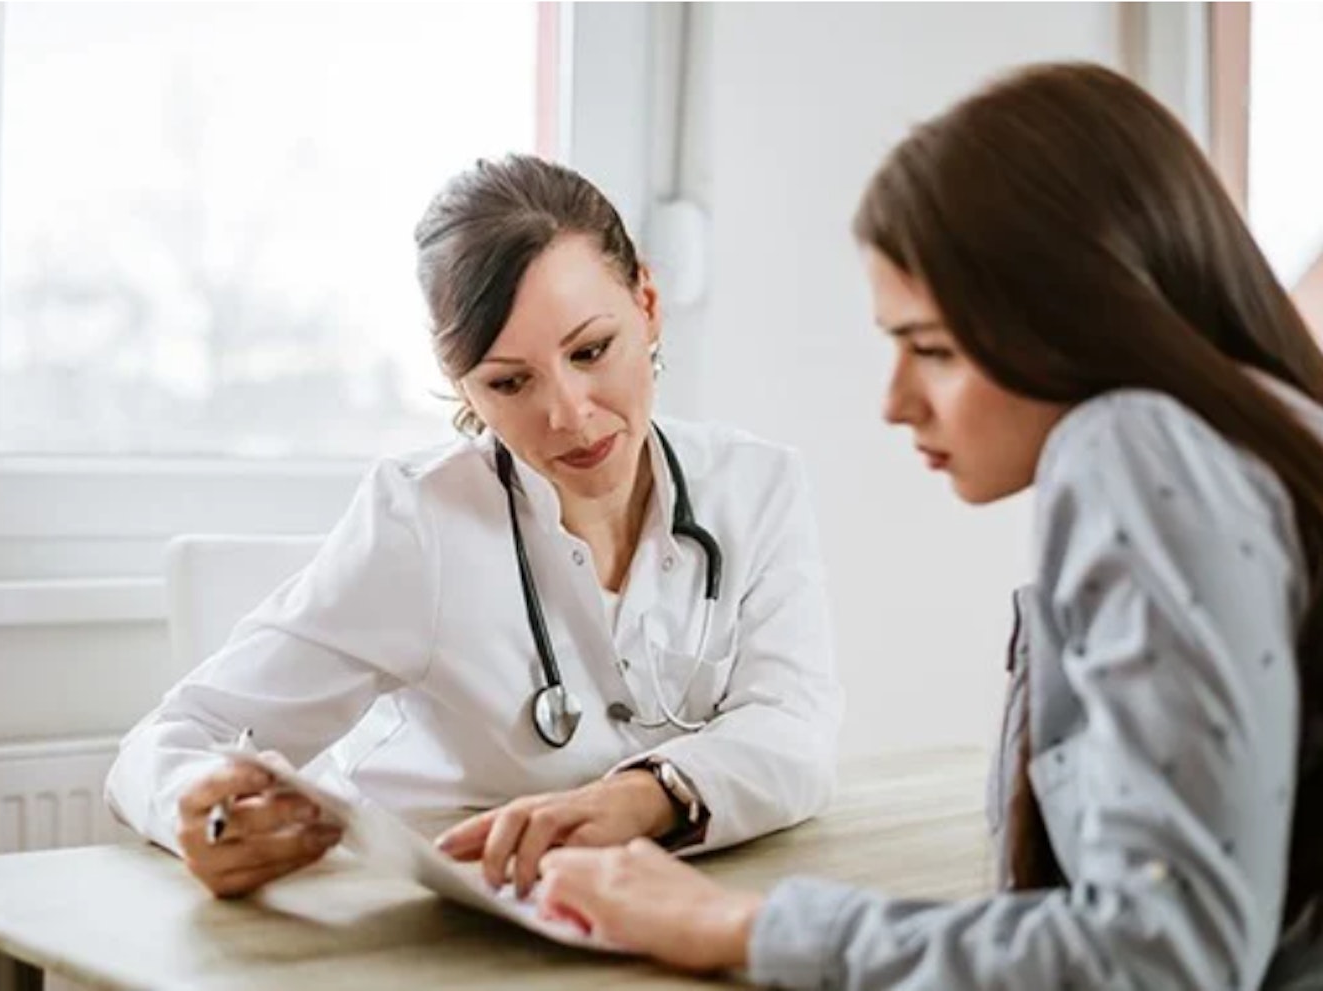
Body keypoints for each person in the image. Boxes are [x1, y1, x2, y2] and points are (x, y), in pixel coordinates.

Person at [532, 63, 1323, 989]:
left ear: (1086, 318)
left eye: (933, 350)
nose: (896, 403)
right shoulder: (1274, 432)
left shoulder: (1130, 444)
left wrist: (746, 926)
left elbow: (1159, 955)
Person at [104, 154, 842, 900]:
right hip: (426, 927)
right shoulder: (418, 521)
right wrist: (195, 810)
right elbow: (169, 739)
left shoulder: (757, 486)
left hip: (645, 919)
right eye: (508, 381)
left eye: (591, 350)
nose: (569, 414)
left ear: (647, 303)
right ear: (463, 385)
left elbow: (796, 729)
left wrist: (645, 796)